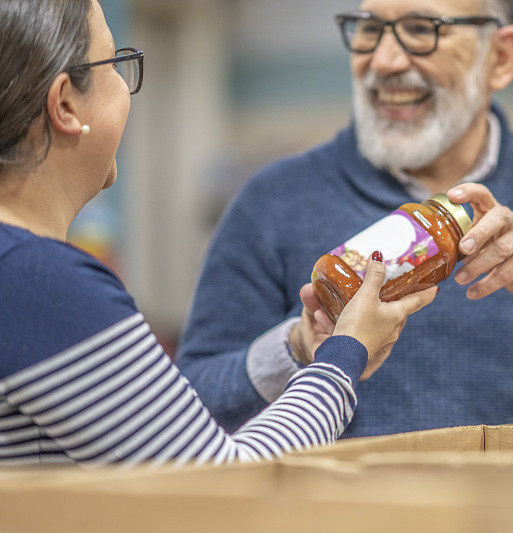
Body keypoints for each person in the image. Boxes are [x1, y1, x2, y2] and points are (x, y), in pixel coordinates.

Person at [177, 0, 513, 437]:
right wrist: (300, 349)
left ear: (501, 58)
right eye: (368, 30)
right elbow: (189, 410)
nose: (385, 61)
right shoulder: (274, 201)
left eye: (421, 29)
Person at [0, 0, 436, 468]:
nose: (127, 88)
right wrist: (346, 353)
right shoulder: (40, 280)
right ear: (66, 104)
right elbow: (216, 478)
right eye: (114, 64)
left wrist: (300, 348)